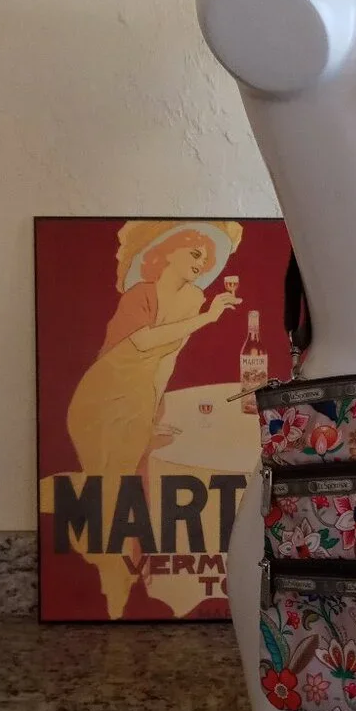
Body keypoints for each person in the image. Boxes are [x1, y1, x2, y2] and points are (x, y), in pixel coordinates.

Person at [65, 220, 242, 618]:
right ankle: (110, 580)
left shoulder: (194, 298)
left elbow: (167, 358)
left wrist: (150, 408)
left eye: (205, 258)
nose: (201, 263)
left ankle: (136, 576)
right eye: (193, 252)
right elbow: (143, 342)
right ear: (167, 251)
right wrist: (209, 318)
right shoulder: (140, 294)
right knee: (111, 483)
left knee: (140, 475)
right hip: (105, 394)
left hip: (140, 396)